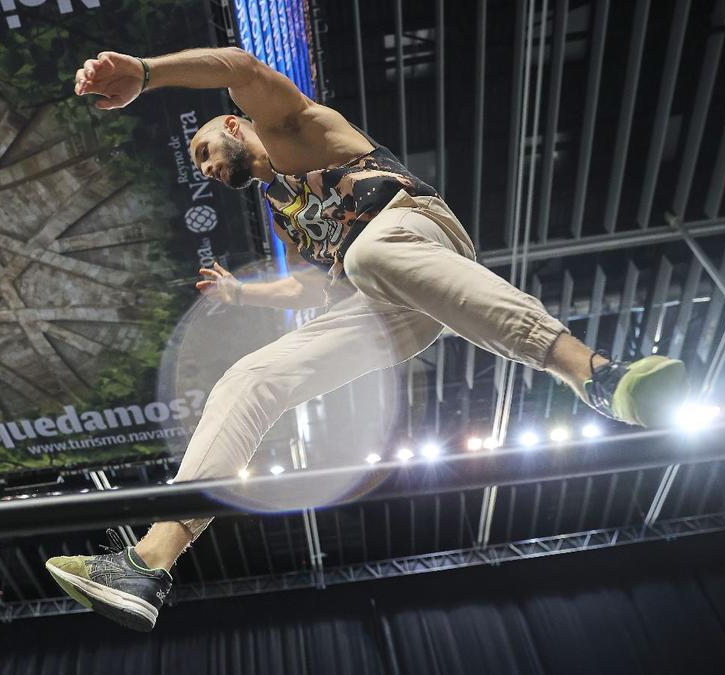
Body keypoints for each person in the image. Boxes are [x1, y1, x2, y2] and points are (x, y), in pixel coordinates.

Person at [45, 47, 688, 632]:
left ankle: (597, 374)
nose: (209, 167)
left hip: (416, 233)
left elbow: (239, 66)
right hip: (380, 297)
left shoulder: (295, 126)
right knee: (249, 380)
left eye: (206, 150)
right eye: (203, 166)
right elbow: (311, 287)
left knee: (369, 255)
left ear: (235, 125)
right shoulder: (284, 212)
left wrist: (148, 74)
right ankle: (150, 563)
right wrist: (244, 296)